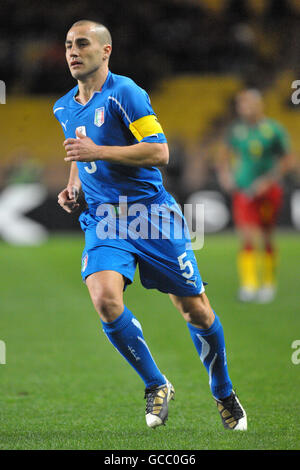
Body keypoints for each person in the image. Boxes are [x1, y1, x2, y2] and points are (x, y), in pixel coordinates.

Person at [55, 19, 247, 430]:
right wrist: (74, 189)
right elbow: (78, 152)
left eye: (83, 44)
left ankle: (223, 389)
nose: (73, 51)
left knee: (196, 312)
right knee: (105, 299)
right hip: (105, 219)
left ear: (105, 50)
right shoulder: (63, 106)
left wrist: (99, 151)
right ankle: (156, 384)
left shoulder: (126, 92)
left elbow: (159, 153)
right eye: (69, 44)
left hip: (152, 215)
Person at [218, 89, 293, 303]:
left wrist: (268, 181)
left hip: (269, 191)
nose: (244, 109)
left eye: (248, 104)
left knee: (267, 235)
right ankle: (249, 285)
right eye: (241, 105)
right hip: (244, 190)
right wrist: (225, 176)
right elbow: (223, 155)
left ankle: (268, 284)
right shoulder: (236, 130)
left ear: (259, 105)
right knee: (247, 235)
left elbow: (287, 160)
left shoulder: (273, 130)